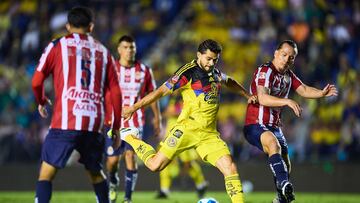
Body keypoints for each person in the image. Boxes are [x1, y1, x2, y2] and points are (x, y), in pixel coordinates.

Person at [121, 39, 257, 203]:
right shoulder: (188, 72)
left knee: (230, 167)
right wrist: (134, 107)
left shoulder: (215, 72)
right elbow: (160, 92)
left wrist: (247, 96)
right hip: (186, 130)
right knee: (155, 165)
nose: (211, 63)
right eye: (208, 59)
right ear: (199, 55)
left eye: (215, 60)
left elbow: (229, 81)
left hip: (209, 134)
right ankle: (130, 137)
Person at [32, 6, 122, 203]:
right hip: (94, 124)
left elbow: (36, 82)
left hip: (66, 121)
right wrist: (115, 127)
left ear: (67, 26)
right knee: (96, 172)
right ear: (91, 27)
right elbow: (116, 92)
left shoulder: (57, 46)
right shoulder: (104, 51)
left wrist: (41, 100)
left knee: (46, 173)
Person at [243, 40, 338, 203]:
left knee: (285, 161)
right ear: (276, 53)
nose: (287, 59)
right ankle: (285, 184)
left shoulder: (288, 76)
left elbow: (305, 90)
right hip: (255, 124)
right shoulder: (265, 71)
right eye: (284, 55)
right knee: (274, 145)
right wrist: (286, 101)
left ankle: (281, 196)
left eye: (291, 57)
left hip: (274, 126)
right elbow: (263, 98)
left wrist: (321, 93)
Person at [103, 35, 161, 203]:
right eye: (126, 47)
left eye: (132, 48)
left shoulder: (144, 71)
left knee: (130, 156)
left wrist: (157, 118)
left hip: (136, 122)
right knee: (112, 161)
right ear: (119, 50)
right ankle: (113, 182)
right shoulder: (110, 69)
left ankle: (128, 198)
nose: (129, 51)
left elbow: (152, 95)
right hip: (113, 122)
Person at [156, 96, 208, 199]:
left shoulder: (186, 97)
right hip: (170, 137)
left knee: (188, 163)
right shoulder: (171, 99)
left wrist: (172, 113)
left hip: (182, 134)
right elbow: (167, 113)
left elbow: (185, 113)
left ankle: (201, 184)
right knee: (162, 161)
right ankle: (164, 189)